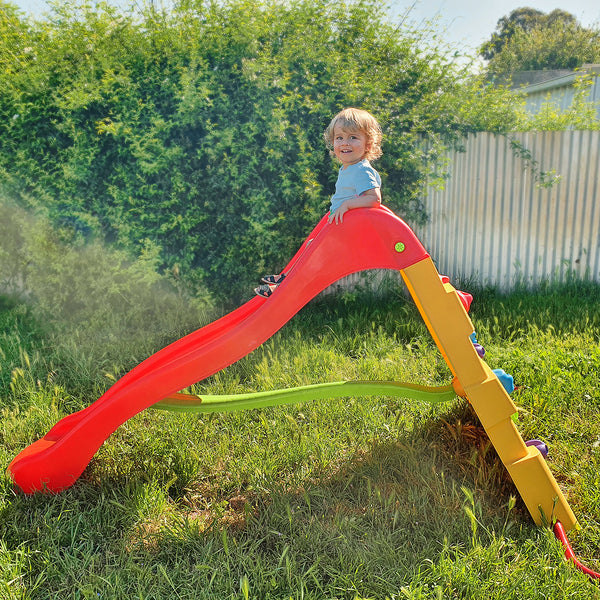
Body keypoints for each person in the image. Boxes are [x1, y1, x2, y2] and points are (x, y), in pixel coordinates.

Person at [255, 108, 383, 298]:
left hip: (348, 235)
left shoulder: (361, 170)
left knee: (313, 258)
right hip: (339, 230)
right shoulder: (349, 168)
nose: (345, 143)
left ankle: (283, 289)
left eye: (353, 137)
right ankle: (286, 278)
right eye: (339, 137)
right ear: (333, 142)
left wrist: (347, 205)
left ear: (368, 144)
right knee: (310, 250)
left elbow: (374, 198)